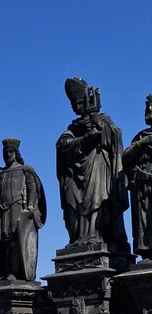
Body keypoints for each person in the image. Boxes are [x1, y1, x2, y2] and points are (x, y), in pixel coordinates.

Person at [57, 77, 129, 252]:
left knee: (97, 198)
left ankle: (96, 234)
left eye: (78, 103)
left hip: (97, 167)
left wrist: (96, 120)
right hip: (76, 175)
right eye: (73, 104)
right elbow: (62, 145)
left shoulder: (102, 120)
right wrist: (84, 139)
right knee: (71, 194)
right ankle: (79, 237)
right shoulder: (73, 128)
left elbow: (113, 136)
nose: (75, 107)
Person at [0, 134, 46, 281]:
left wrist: (31, 206)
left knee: (14, 244)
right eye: (5, 152)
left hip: (17, 209)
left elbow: (33, 190)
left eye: (10, 151)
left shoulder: (25, 170)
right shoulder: (0, 173)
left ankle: (14, 272)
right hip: (1, 212)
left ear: (16, 153)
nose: (7, 155)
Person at [123, 93, 152, 260]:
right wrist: (142, 143)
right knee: (144, 221)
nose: (149, 109)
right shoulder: (141, 137)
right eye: (147, 107)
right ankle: (147, 252)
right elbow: (125, 158)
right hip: (142, 188)